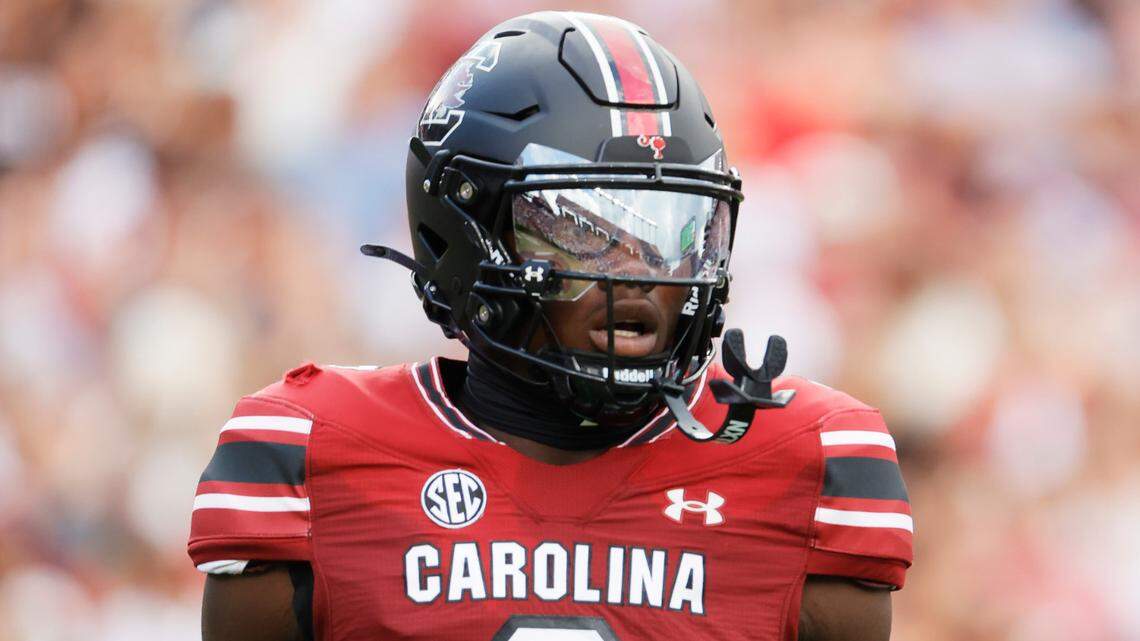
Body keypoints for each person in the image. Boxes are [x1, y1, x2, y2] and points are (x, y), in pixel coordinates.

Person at [190, 11, 913, 641]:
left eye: (674, 233)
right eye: (585, 230)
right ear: (465, 231)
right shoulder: (312, 460)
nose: (640, 277)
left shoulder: (804, 465)